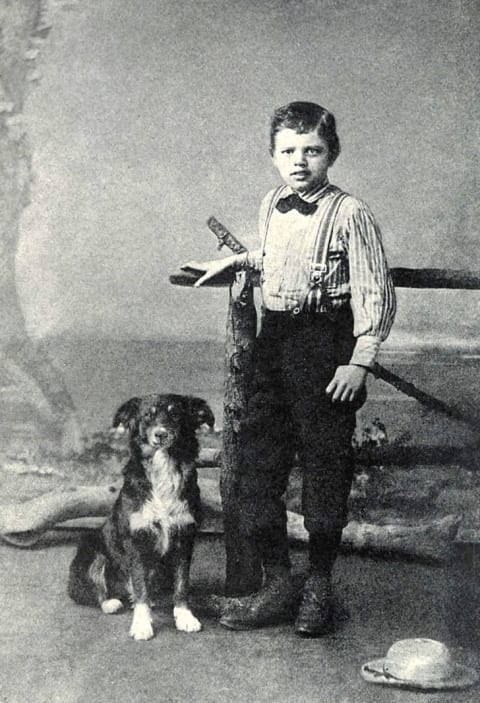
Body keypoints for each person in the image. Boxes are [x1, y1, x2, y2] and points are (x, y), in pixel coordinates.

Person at [184, 101, 396, 636]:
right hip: (273, 343)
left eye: (312, 150)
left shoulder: (351, 213)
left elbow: (376, 291)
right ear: (274, 155)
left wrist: (359, 361)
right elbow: (278, 257)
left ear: (332, 153)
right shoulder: (273, 202)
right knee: (259, 466)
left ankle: (318, 586)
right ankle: (278, 583)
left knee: (325, 466)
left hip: (326, 346)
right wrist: (236, 261)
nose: (299, 161)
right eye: (288, 151)